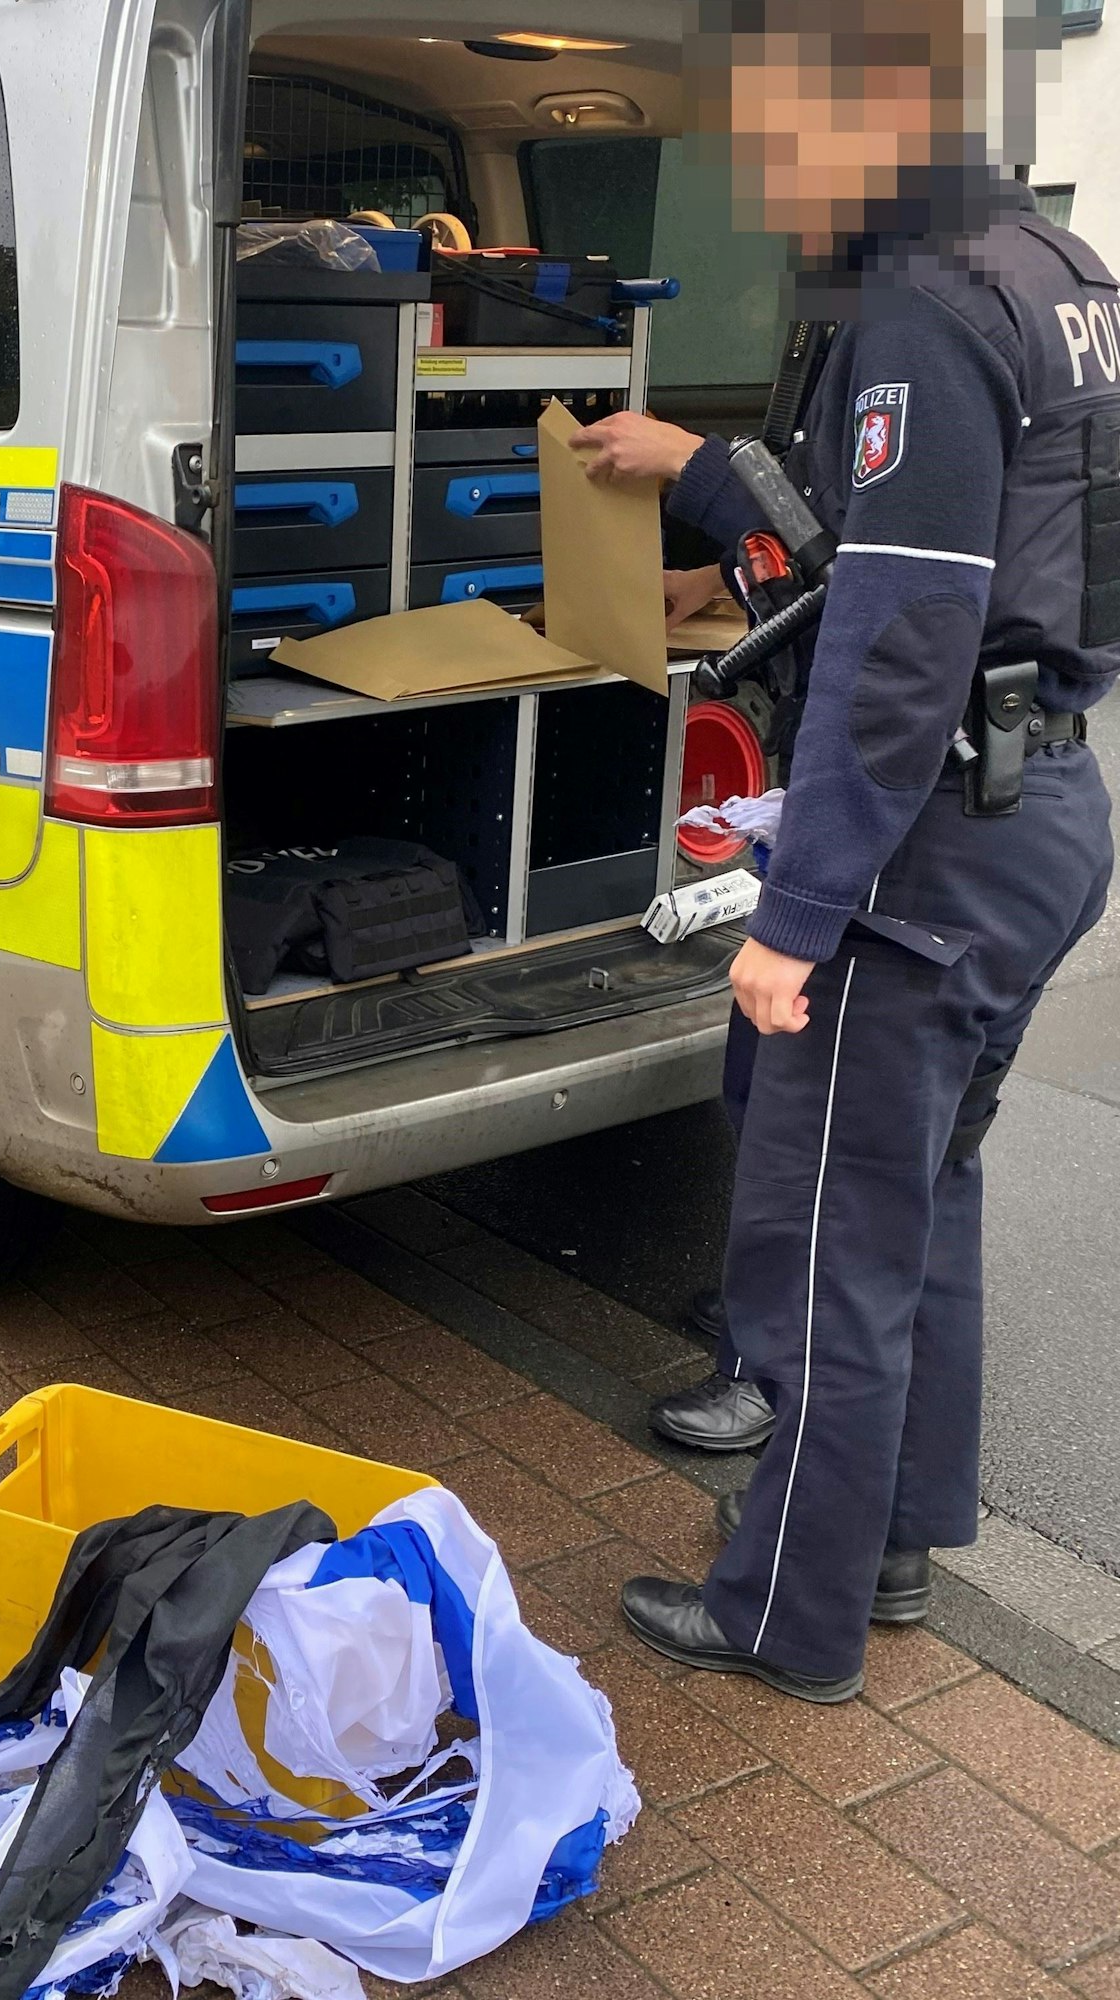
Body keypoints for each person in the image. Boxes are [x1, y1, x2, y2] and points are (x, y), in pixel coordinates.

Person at [571, 0, 1117, 1702]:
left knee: (821, 1248)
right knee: (925, 1202)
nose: (763, 180)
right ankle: (891, 1546)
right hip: (1047, 808)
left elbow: (900, 634)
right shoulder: (1065, 270)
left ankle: (783, 1618)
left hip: (924, 849)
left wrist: (796, 915)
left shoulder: (921, 308)